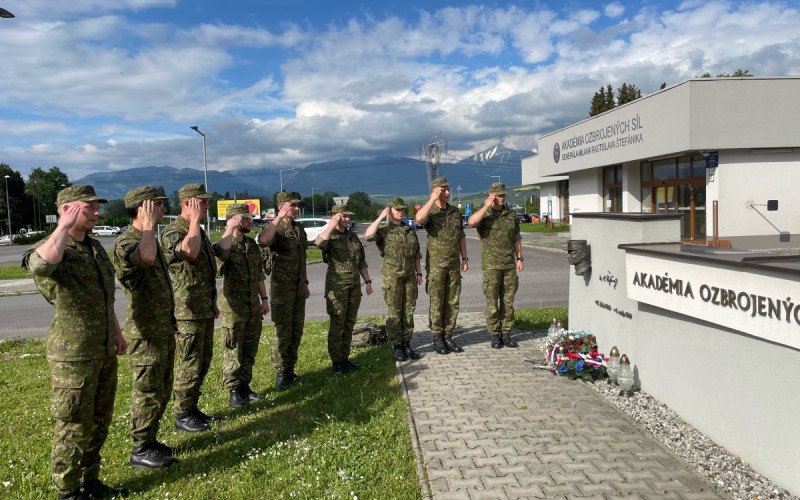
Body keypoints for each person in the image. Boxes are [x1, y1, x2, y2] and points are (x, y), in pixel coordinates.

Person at [22, 185, 130, 500]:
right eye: (90, 207)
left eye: (98, 207)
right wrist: (63, 226)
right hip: (74, 355)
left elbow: (104, 298)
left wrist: (117, 333)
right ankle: (68, 491)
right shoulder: (54, 246)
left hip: (103, 348)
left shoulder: (95, 248)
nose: (98, 213)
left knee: (99, 420)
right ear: (68, 209)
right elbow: (41, 266)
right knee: (72, 425)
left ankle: (90, 482)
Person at [112, 186, 177, 469]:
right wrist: (148, 227)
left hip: (162, 327)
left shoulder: (149, 237)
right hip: (145, 331)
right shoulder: (128, 241)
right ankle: (140, 448)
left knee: (162, 388)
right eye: (159, 205)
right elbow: (146, 258)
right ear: (143, 208)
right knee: (147, 390)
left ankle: (150, 441)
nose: (164, 209)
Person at [160, 183, 220, 432]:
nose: (206, 206)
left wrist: (212, 302)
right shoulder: (174, 231)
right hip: (186, 310)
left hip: (202, 306)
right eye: (202, 202)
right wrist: (195, 221)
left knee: (203, 361)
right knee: (189, 361)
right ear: (188, 203)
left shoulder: (197, 230)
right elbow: (190, 253)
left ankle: (192, 407)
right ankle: (182, 414)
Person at [214, 203, 269, 408]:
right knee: (233, 349)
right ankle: (234, 390)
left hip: (252, 305)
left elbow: (258, 275)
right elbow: (220, 257)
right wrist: (229, 228)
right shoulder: (225, 244)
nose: (250, 222)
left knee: (249, 348)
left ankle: (245, 386)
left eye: (249, 218)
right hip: (233, 308)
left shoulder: (251, 245)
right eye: (245, 219)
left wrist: (263, 299)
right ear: (235, 219)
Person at [257, 192, 310, 389]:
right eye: (293, 205)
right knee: (283, 331)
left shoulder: (299, 229)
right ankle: (280, 373)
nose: (296, 208)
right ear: (282, 206)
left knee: (296, 330)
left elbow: (302, 258)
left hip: (297, 289)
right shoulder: (275, 228)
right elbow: (263, 240)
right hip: (282, 289)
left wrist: (304, 283)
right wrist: (277, 218)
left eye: (297, 205)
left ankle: (290, 370)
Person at [315, 205, 373, 373]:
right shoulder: (329, 236)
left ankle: (345, 359)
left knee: (349, 323)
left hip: (354, 287)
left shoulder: (352, 236)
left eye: (348, 216)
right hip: (337, 288)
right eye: (343, 216)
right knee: (337, 324)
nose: (347, 219)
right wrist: (331, 224)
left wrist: (367, 281)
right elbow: (319, 243)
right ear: (334, 216)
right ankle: (337, 362)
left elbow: (361, 261)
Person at [415, 177, 469, 355]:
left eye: (448, 189)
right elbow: (419, 219)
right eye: (443, 190)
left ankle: (448, 335)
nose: (447, 192)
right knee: (437, 302)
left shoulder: (454, 212)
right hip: (437, 265)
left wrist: (465, 258)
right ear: (436, 191)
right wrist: (432, 199)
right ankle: (437, 337)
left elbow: (461, 236)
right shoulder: (431, 211)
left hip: (453, 265)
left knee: (452, 302)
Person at [365, 198, 423, 362]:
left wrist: (419, 273)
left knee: (408, 311)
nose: (401, 212)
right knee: (395, 311)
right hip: (392, 277)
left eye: (403, 209)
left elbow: (417, 254)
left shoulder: (409, 230)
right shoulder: (384, 230)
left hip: (409, 276)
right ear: (390, 211)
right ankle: (396, 345)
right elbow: (368, 235)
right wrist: (381, 216)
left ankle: (406, 344)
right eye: (397, 210)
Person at [468, 183, 524, 348]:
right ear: (491, 195)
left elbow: (516, 238)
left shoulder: (510, 215)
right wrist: (486, 205)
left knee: (508, 301)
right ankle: (494, 334)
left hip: (508, 265)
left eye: (503, 195)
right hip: (491, 266)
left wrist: (520, 258)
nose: (501, 198)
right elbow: (471, 222)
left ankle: (506, 333)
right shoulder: (485, 214)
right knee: (492, 301)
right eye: (498, 195)